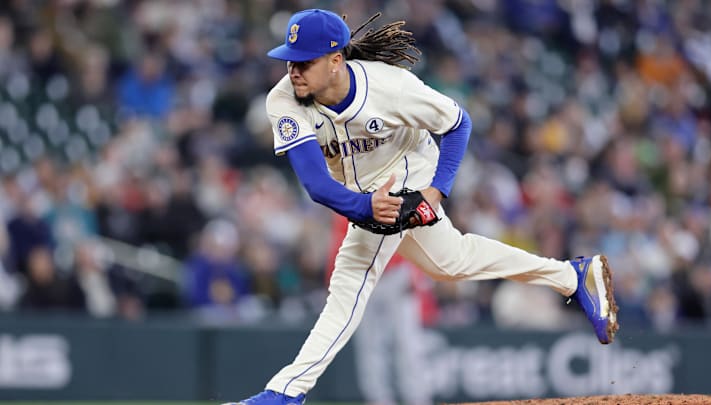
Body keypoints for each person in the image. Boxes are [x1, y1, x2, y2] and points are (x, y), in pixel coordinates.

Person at [222, 8, 619, 405]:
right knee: (450, 263)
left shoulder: (389, 87)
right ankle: (571, 275)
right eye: (290, 60)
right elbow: (315, 183)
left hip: (408, 169)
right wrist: (365, 210)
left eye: (305, 62)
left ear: (336, 61)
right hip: (362, 192)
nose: (294, 71)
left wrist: (436, 192)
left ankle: (287, 392)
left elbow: (458, 123)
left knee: (351, 279)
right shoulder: (284, 100)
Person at [326, 215, 436, 405]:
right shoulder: (347, 201)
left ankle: (417, 397)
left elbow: (414, 233)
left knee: (408, 342)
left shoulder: (394, 190)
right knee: (370, 345)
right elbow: (340, 245)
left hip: (396, 274)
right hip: (364, 278)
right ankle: (378, 398)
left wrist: (415, 272)